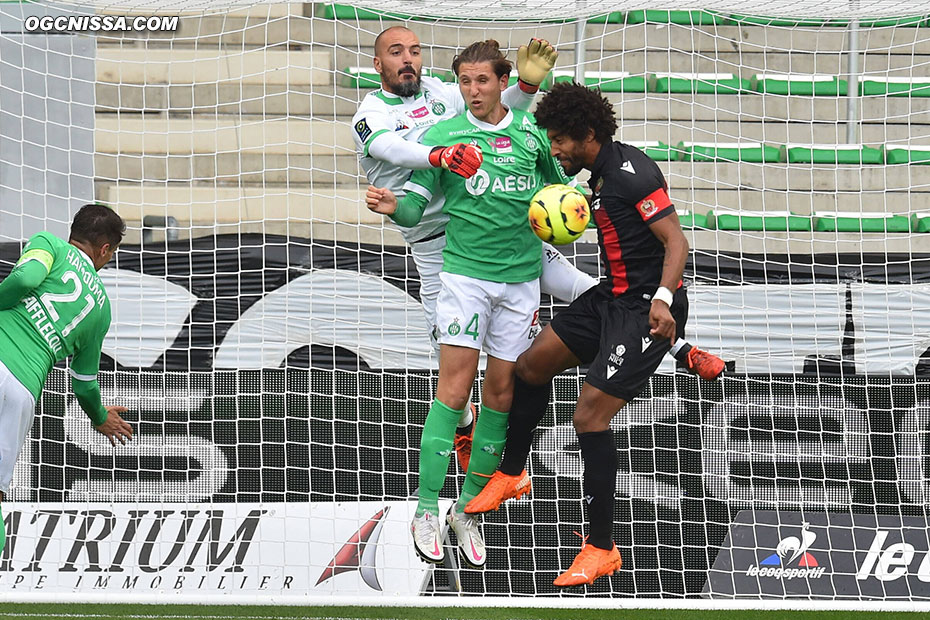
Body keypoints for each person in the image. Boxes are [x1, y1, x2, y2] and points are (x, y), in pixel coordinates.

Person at [464, 83, 707, 587]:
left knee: (588, 418)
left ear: (587, 135)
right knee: (530, 366)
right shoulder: (593, 177)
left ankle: (601, 547)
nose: (554, 150)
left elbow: (676, 242)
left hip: (645, 309)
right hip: (611, 297)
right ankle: (512, 472)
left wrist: (662, 302)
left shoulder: (632, 175)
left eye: (559, 141)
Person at [366, 40, 573, 569]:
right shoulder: (446, 137)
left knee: (501, 393)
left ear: (502, 82)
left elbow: (560, 194)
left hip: (522, 282)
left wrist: (575, 209)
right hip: (464, 278)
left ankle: (468, 510)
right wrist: (396, 208)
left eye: (483, 81)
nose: (473, 91)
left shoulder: (530, 135)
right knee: (455, 389)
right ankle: (425, 509)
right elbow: (415, 204)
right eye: (465, 82)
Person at [351, 27, 596, 473]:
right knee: (450, 371)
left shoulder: (446, 92)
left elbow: (499, 121)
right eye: (395, 52)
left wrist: (524, 87)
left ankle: (665, 332)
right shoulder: (370, 113)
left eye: (415, 51)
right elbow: (388, 147)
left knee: (579, 287)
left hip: (493, 224)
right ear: (378, 64)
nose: (408, 59)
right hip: (434, 243)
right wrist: (441, 157)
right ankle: (464, 428)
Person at [0, 204, 134, 556]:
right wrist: (100, 416)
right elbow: (84, 382)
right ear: (105, 249)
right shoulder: (101, 307)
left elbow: (24, 279)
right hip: (22, 390)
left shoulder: (50, 244)